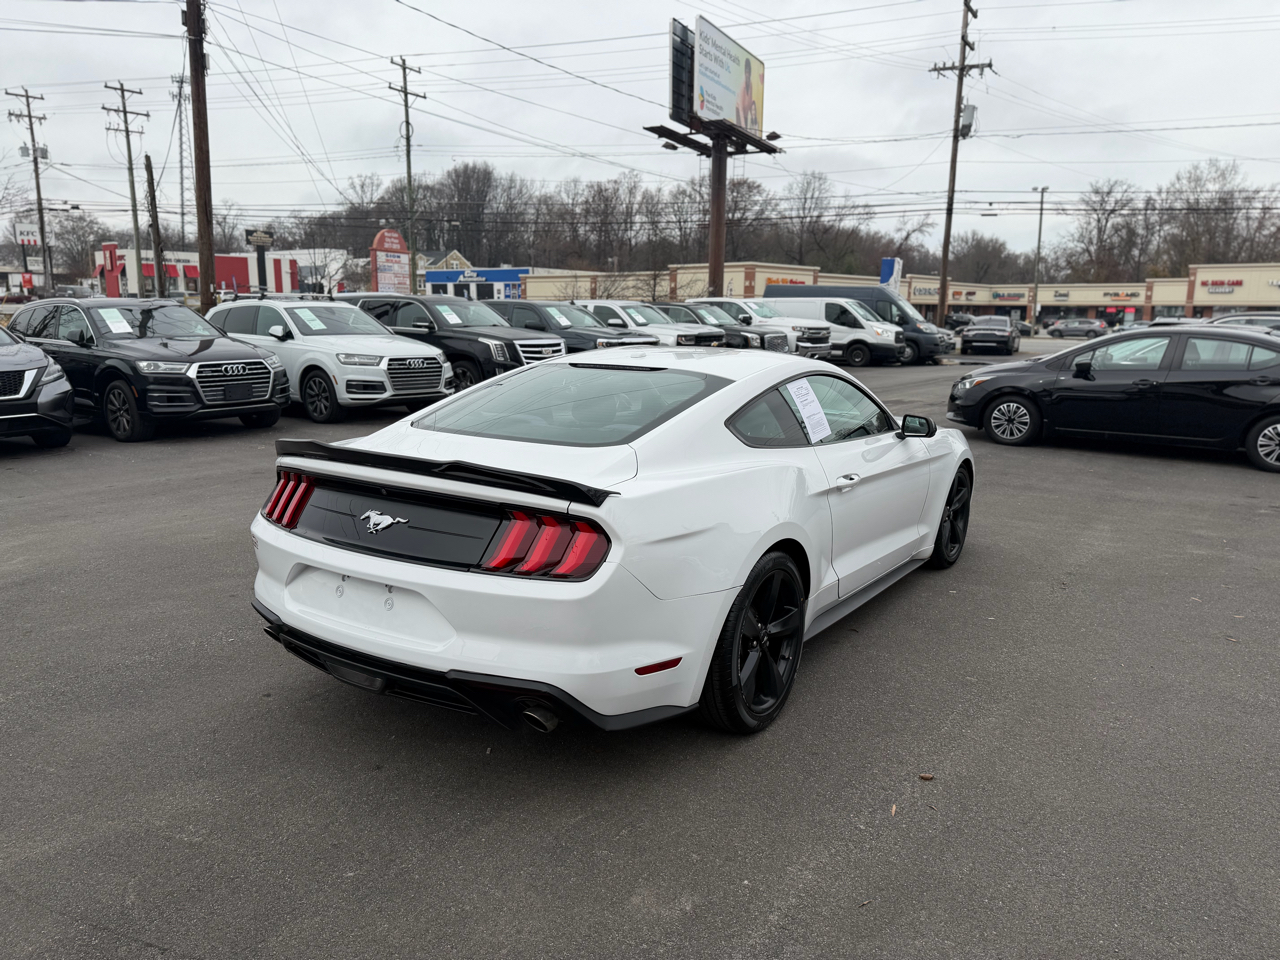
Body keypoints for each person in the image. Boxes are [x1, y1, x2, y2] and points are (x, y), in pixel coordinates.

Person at [735, 58, 759, 134]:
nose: (747, 74)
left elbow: (749, 102)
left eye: (749, 72)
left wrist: (752, 115)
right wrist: (743, 126)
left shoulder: (750, 84)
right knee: (740, 131)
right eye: (746, 72)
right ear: (745, 72)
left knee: (745, 134)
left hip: (745, 112)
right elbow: (741, 108)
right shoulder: (743, 85)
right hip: (739, 110)